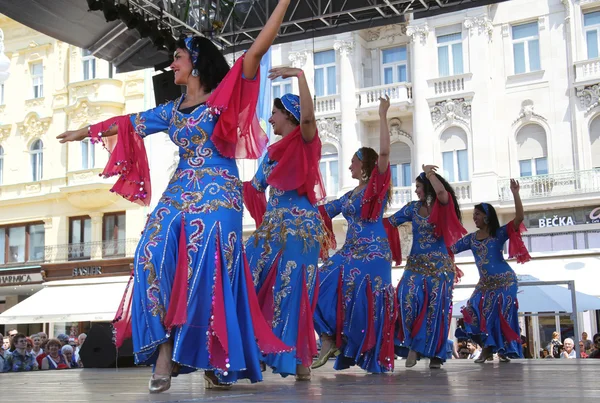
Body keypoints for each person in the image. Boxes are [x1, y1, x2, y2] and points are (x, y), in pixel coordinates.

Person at [56, 0, 294, 393]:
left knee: (209, 270)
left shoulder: (224, 98)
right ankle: (165, 350)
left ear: (196, 62)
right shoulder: (172, 110)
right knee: (148, 254)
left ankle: (218, 357)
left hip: (219, 196)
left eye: (178, 57)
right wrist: (85, 131)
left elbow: (256, 49)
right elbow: (128, 123)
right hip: (180, 191)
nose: (172, 64)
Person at [244, 67, 328, 381]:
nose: (270, 119)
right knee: (250, 280)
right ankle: (262, 350)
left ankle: (300, 360)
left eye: (275, 113)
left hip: (300, 233)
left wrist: (299, 75)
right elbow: (253, 188)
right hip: (272, 231)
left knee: (294, 290)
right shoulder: (271, 154)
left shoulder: (306, 143)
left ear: (290, 116)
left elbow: (309, 119)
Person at [312, 97, 398, 374]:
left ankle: (349, 344)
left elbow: (384, 155)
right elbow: (325, 211)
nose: (349, 168)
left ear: (365, 165)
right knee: (317, 282)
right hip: (350, 252)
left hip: (373, 254)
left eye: (352, 163)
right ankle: (329, 337)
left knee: (364, 304)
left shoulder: (377, 185)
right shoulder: (351, 195)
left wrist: (383, 115)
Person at [387, 165, 466, 369]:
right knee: (406, 299)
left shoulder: (443, 204)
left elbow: (441, 192)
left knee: (435, 311)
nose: (416, 190)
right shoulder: (413, 208)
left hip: (440, 269)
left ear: (428, 186)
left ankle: (434, 354)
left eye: (419, 186)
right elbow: (390, 223)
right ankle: (414, 344)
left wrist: (430, 173)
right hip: (415, 266)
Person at [450, 179, 528, 363]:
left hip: (506, 281)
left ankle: (497, 350)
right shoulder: (471, 239)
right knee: (473, 309)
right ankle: (488, 348)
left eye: (477, 214)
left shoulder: (499, 233)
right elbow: (450, 249)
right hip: (485, 284)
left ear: (486, 216)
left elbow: (519, 219)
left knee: (502, 316)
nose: (474, 217)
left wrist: (515, 193)